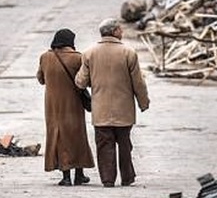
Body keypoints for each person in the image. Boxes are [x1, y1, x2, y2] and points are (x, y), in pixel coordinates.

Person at [75, 18, 150, 187]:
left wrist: (94, 79)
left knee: (104, 145)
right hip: (124, 110)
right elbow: (138, 82)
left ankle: (108, 179)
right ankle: (127, 177)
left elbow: (80, 82)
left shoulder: (89, 53)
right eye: (120, 29)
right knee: (125, 144)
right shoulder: (128, 53)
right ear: (115, 31)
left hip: (100, 110)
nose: (122, 32)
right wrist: (143, 102)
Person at [36, 28, 95, 186]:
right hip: (73, 104)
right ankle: (78, 175)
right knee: (77, 136)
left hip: (53, 106)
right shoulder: (77, 58)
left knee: (59, 137)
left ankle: (66, 176)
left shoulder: (45, 57)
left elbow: (41, 79)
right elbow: (84, 80)